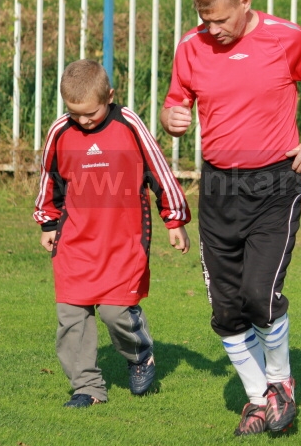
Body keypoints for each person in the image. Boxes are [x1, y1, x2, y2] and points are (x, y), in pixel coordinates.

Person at [160, 0, 301, 435]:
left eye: (220, 20)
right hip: (218, 186)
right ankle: (259, 400)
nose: (212, 29)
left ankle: (281, 385)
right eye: (204, 19)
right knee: (225, 309)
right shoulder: (189, 45)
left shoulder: (287, 39)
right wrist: (172, 118)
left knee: (260, 296)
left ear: (246, 2)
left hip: (274, 185)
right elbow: (174, 101)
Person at [34, 59, 191, 408]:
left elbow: (158, 170)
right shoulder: (60, 131)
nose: (83, 121)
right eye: (75, 113)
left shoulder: (129, 124)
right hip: (74, 242)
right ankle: (87, 388)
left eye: (90, 113)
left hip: (123, 241)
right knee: (72, 317)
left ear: (110, 96)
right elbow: (50, 179)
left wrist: (174, 219)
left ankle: (140, 355)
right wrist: (47, 221)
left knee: (115, 313)